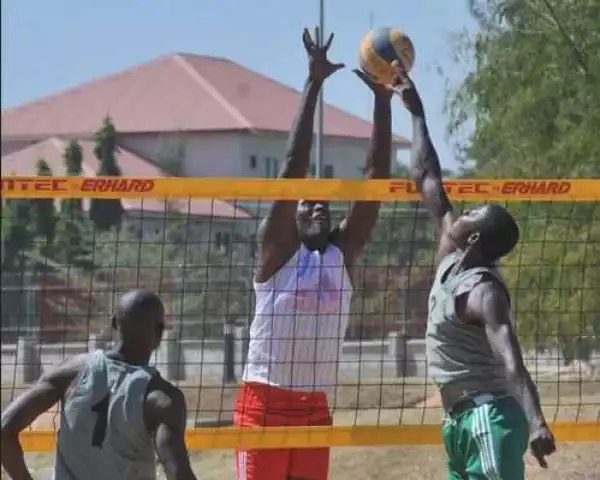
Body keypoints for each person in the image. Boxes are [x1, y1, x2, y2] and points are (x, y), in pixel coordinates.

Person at [234, 27, 394, 480]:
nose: (318, 202)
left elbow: (376, 177)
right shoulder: (277, 254)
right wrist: (314, 82)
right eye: (308, 200)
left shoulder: (341, 256)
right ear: (292, 214)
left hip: (313, 407)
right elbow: (291, 168)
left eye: (324, 198)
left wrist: (382, 101)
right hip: (263, 403)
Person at [391, 61, 556, 479]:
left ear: (477, 239)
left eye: (474, 213)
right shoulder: (451, 251)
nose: (463, 211)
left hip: (489, 414)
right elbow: (426, 176)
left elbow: (512, 360)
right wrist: (416, 111)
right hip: (459, 422)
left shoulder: (485, 291)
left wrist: (536, 420)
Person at [1, 289, 197, 480]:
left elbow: (4, 428)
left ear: (114, 324)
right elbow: (177, 473)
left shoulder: (70, 372)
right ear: (160, 332)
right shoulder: (162, 398)